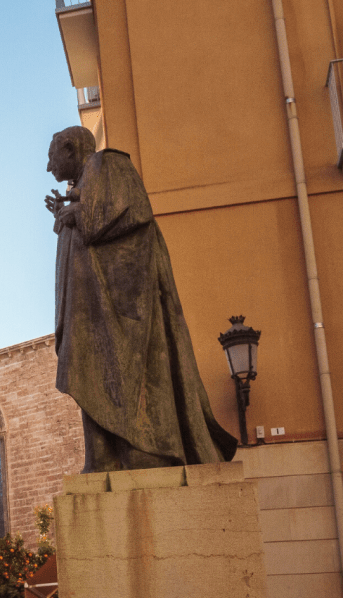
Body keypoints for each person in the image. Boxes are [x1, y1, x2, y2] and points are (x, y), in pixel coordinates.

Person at [45, 125, 236, 473]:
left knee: (120, 371)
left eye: (51, 157)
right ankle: (100, 458)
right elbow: (95, 219)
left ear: (71, 149)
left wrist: (76, 213)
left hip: (118, 304)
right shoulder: (86, 182)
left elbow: (131, 210)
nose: (49, 168)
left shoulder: (109, 164)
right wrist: (67, 213)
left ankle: (143, 450)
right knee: (87, 370)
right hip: (90, 303)